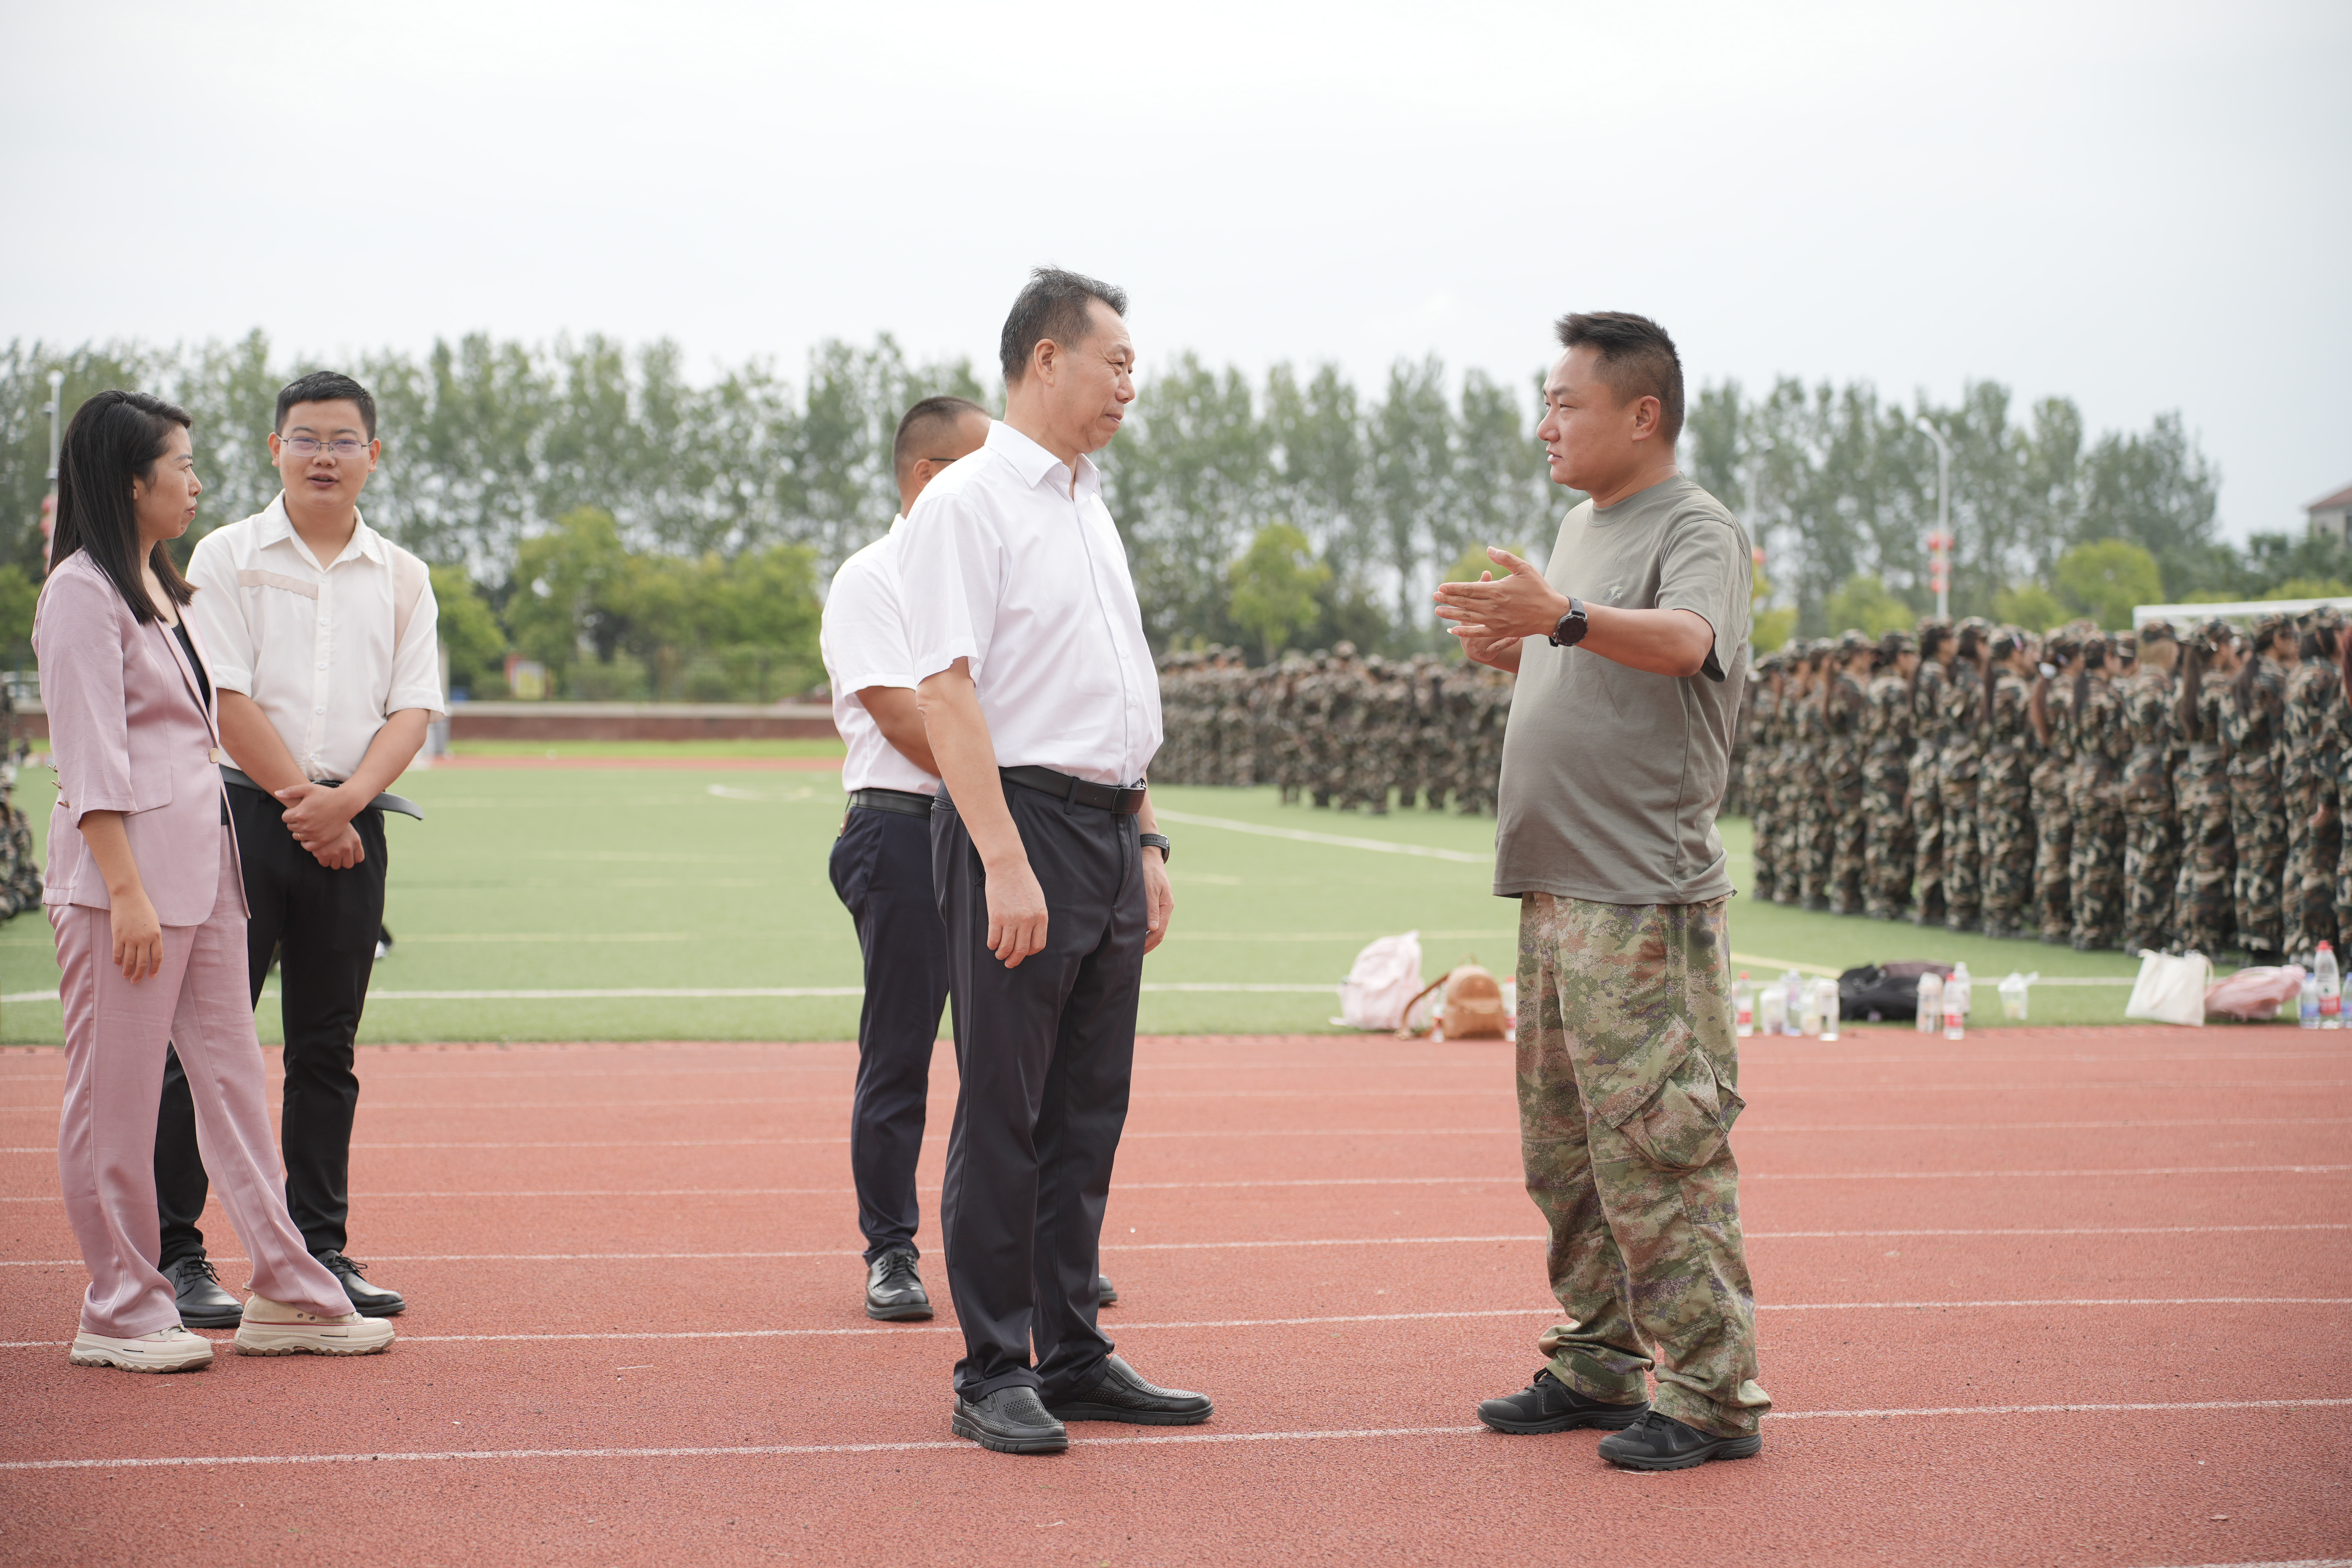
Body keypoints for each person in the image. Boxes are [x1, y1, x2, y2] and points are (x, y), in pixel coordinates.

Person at [1436, 310, 1768, 1471]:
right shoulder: (1578, 525)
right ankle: (1597, 1359)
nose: (1544, 426)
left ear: (1641, 414)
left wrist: (1563, 620)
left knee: (1657, 1146)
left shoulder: (1695, 526)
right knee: (1566, 1149)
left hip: (1638, 895)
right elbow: (1588, 652)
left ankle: (1709, 1394)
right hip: (1554, 886)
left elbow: (1682, 642)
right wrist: (1520, 643)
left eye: (1562, 403)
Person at [898, 268, 1208, 1456]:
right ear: (1044, 359)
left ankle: (1070, 1348)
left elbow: (1112, 687)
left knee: (1086, 1107)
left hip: (1108, 831)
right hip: (1017, 824)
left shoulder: (1085, 501)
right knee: (1004, 1108)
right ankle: (992, 1366)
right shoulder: (968, 503)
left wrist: (1146, 837)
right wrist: (1003, 861)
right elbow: (946, 691)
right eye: (1114, 362)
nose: (1130, 386)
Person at [40, 390, 392, 1371]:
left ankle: (288, 1287)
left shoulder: (167, 588)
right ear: (130, 481)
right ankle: (120, 1304)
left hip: (207, 872)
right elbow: (90, 756)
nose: (197, 481)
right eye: (182, 464)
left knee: (234, 1084)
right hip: (125, 886)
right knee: (114, 1098)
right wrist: (127, 890)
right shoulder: (80, 592)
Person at [151, 372, 442, 1326]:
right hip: (239, 818)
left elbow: (413, 709)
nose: (325, 456)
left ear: (374, 455)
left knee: (326, 1049)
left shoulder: (402, 574)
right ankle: (176, 1254)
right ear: (275, 447)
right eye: (306, 438)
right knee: (204, 1046)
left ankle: (318, 1251)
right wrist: (303, 804)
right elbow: (224, 696)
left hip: (354, 829)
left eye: (344, 440)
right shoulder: (226, 555)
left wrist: (344, 804)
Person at [2172, 621, 2239, 956]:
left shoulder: (2185, 687)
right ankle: (2204, 939)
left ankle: (2185, 933)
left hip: (2190, 779)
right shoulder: (2220, 686)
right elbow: (2233, 736)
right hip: (2214, 780)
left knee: (2193, 857)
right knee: (2212, 862)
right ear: (2219, 647)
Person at [2118, 621, 2181, 954]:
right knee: (2155, 855)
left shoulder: (2132, 684)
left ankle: (2137, 929)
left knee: (2137, 852)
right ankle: (2151, 932)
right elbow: (2171, 736)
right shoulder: (2163, 686)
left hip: (2134, 771)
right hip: (2156, 774)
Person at [1861, 631, 1917, 919]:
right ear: (1902, 657)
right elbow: (1905, 731)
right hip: (1892, 766)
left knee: (1880, 831)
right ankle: (1886, 900)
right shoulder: (1896, 687)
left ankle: (1880, 895)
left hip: (1877, 762)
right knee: (1892, 833)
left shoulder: (1875, 684)